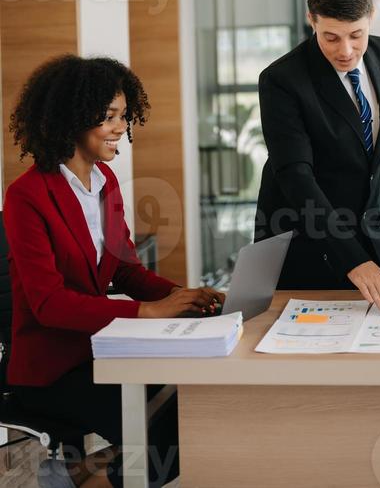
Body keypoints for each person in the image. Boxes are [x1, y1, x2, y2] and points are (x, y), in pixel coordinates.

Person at [3, 55, 223, 488]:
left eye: (123, 115)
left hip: (100, 351)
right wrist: (148, 313)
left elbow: (125, 270)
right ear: (72, 119)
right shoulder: (27, 196)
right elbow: (48, 304)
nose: (121, 126)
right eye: (108, 117)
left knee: (188, 407)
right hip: (52, 368)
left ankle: (75, 472)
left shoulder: (105, 182)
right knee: (170, 434)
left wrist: (186, 295)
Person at [255, 0, 380, 310]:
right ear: (312, 20)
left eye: (357, 34)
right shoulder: (282, 80)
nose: (346, 50)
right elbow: (295, 177)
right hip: (308, 241)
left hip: (372, 237)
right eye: (331, 37)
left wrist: (377, 221)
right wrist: (350, 256)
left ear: (371, 17)